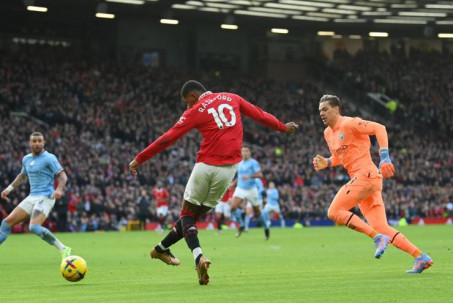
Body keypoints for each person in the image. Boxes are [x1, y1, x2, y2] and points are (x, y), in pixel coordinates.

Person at [129, 80, 298, 285]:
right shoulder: (232, 98)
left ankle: (198, 257)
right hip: (228, 172)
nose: (187, 106)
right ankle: (160, 250)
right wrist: (282, 127)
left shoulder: (196, 110)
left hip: (206, 166)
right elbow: (259, 114)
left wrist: (140, 158)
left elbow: (169, 137)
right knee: (192, 218)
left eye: (186, 102)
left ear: (192, 96)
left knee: (186, 215)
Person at [313, 95, 433, 274]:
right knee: (382, 227)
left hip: (365, 176)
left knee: (334, 212)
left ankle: (377, 238)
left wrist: (384, 157)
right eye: (320, 110)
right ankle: (420, 257)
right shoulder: (328, 133)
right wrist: (328, 162)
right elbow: (340, 156)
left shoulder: (349, 123)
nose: (321, 113)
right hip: (366, 180)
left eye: (325, 109)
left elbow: (379, 128)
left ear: (336, 110)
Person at [0, 132, 72, 260]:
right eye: (34, 141)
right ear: (30, 143)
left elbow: (63, 176)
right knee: (6, 223)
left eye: (40, 141)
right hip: (32, 197)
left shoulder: (50, 158)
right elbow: (22, 176)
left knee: (33, 227)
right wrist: (8, 189)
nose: (37, 143)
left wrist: (59, 190)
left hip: (46, 197)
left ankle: (63, 248)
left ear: (44, 143)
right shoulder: (26, 159)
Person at [230, 146, 269, 239]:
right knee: (233, 207)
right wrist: (233, 183)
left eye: (247, 151)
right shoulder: (239, 163)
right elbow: (240, 176)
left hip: (251, 190)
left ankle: (266, 227)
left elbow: (260, 174)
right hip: (240, 188)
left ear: (250, 152)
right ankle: (241, 225)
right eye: (243, 151)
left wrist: (250, 176)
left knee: (258, 212)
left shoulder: (253, 163)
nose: (245, 152)